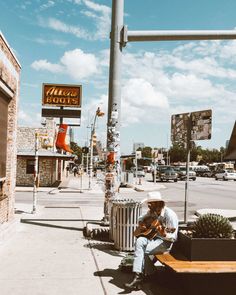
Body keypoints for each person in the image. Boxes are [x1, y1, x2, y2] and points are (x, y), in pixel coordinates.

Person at [124, 191, 179, 290]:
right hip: (153, 239)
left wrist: (164, 233)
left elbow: (173, 237)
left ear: (159, 204)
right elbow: (141, 218)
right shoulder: (152, 212)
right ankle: (138, 275)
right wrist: (142, 223)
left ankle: (146, 275)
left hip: (165, 242)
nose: (149, 206)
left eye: (151, 203)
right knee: (139, 241)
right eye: (149, 204)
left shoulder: (170, 215)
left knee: (142, 250)